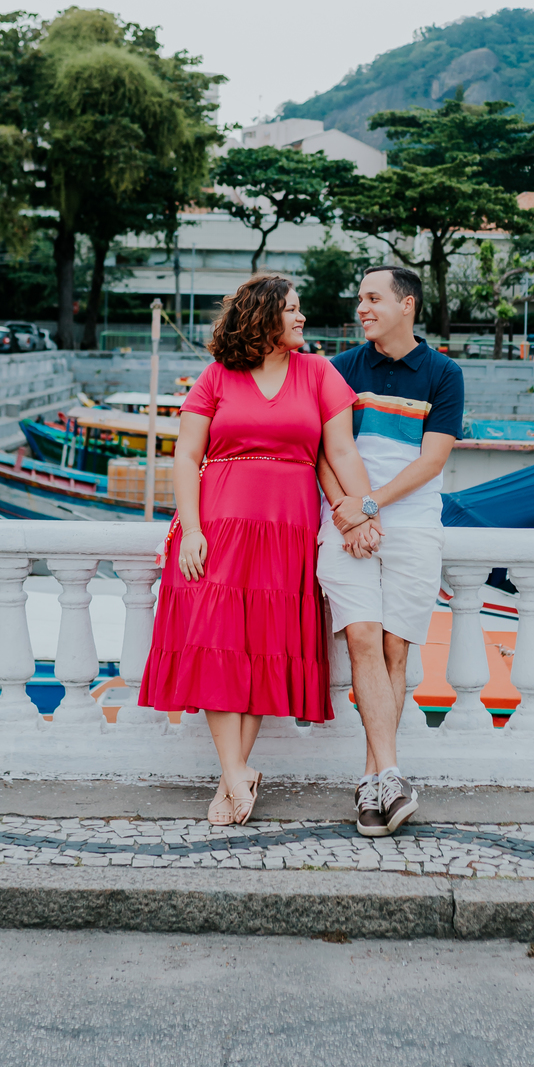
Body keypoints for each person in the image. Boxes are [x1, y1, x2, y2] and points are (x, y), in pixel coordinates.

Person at [139, 275, 376, 826]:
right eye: (291, 310)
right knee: (216, 644)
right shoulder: (218, 375)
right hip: (217, 526)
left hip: (286, 529)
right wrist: (192, 531)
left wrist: (365, 510)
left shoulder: (319, 374)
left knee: (259, 650)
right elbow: (185, 456)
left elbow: (340, 450)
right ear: (265, 317)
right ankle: (235, 772)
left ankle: (235, 775)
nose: (301, 319)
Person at [316, 266, 463, 839]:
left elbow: (432, 461)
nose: (363, 308)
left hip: (410, 524)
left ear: (407, 305)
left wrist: (370, 506)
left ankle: (373, 781)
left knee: (396, 651)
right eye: (360, 299)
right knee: (361, 639)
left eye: (374, 298)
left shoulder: (442, 373)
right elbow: (324, 451)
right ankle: (393, 778)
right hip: (348, 523)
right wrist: (347, 512)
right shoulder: (341, 370)